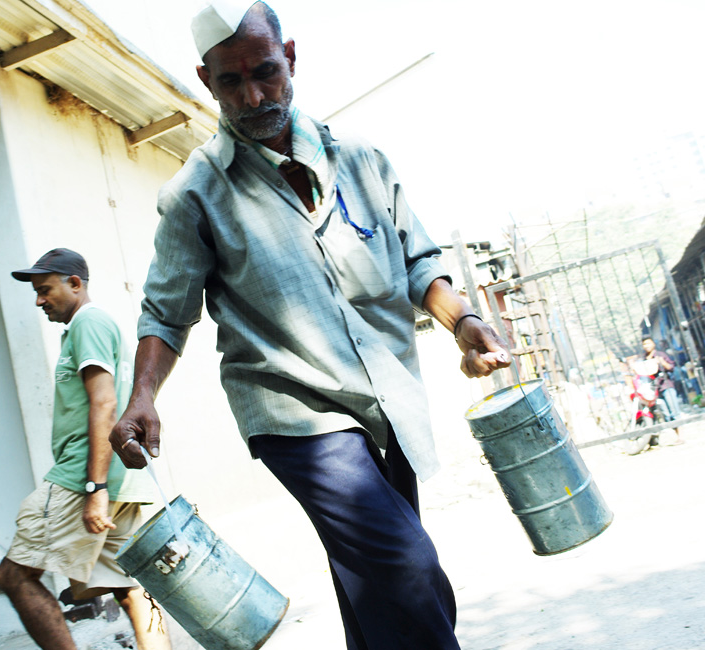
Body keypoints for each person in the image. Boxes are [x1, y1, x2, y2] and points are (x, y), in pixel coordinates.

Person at [107, 3, 510, 649]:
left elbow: (418, 262)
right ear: (206, 80)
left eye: (265, 72)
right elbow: (166, 308)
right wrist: (143, 396)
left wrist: (462, 322)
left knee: (374, 585)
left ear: (289, 57)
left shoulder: (363, 160)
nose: (253, 95)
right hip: (294, 414)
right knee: (408, 567)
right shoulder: (195, 195)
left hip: (386, 396)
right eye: (231, 82)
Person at [0, 248, 169, 650]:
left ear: (75, 283)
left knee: (15, 575)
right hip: (118, 477)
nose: (39, 300)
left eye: (45, 290)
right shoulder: (94, 325)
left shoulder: (88, 323)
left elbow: (104, 403)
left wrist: (94, 489)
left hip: (83, 479)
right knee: (130, 586)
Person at [642, 337, 682, 441]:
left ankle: (680, 436)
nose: (647, 346)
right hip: (656, 390)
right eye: (644, 344)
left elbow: (671, 367)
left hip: (666, 385)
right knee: (666, 414)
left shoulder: (660, 355)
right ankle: (674, 436)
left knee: (674, 411)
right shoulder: (645, 359)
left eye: (648, 343)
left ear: (653, 344)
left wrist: (662, 362)